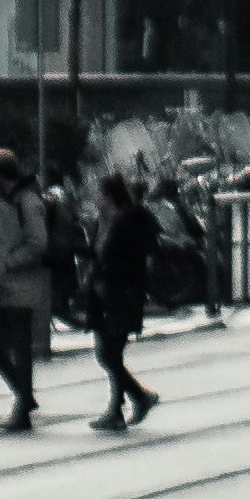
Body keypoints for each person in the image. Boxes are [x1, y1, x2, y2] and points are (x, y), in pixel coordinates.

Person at [0, 141, 51, 432]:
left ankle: (22, 406)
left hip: (20, 287)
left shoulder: (27, 202)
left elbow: (38, 244)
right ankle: (24, 394)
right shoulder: (4, 201)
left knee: (21, 347)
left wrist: (8, 263)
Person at [90, 164, 160, 436]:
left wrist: (109, 271)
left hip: (122, 293)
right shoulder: (101, 221)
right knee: (108, 352)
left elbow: (137, 258)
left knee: (108, 353)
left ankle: (138, 397)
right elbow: (95, 253)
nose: (94, 198)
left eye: (97, 193)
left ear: (108, 195)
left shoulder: (128, 220)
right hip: (101, 293)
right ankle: (119, 408)